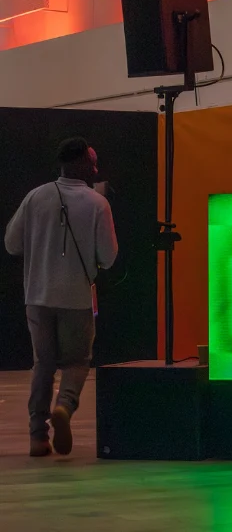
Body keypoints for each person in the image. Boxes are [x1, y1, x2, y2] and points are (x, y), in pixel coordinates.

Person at [4, 137, 118, 457]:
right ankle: (64, 406)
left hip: (37, 296)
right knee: (77, 361)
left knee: (43, 363)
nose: (95, 168)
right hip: (77, 298)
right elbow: (109, 257)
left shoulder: (35, 197)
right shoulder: (98, 204)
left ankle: (38, 436)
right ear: (80, 163)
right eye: (92, 162)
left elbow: (12, 243)